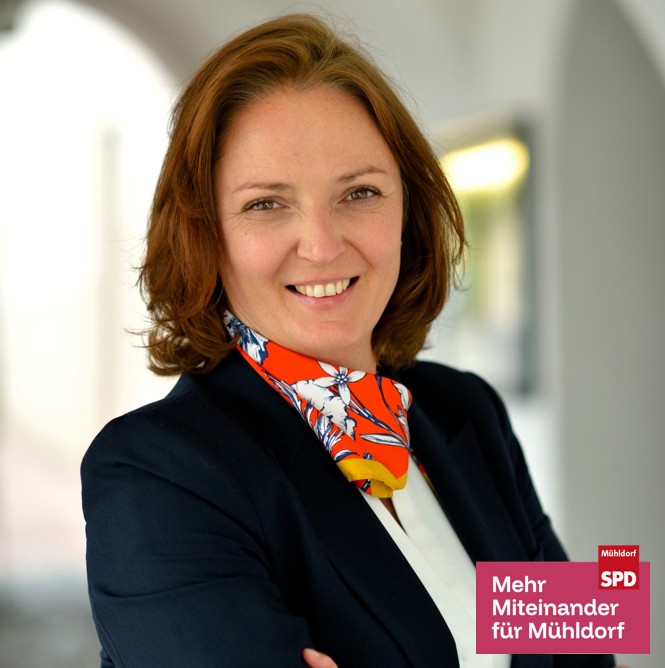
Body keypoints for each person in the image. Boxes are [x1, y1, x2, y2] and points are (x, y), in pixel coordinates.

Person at [81, 13, 617, 668]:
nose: (322, 244)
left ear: (407, 211)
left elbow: (587, 649)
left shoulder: (468, 412)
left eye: (359, 193)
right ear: (204, 234)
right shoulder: (157, 473)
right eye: (266, 204)